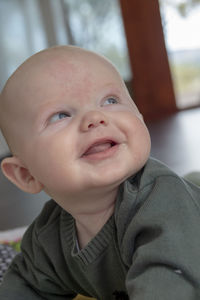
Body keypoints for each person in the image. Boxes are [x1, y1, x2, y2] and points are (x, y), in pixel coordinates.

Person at [0, 45, 200, 300]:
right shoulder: (48, 239)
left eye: (110, 100)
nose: (95, 117)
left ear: (139, 117)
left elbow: (172, 280)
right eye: (60, 115)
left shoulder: (163, 201)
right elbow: (24, 286)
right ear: (25, 174)